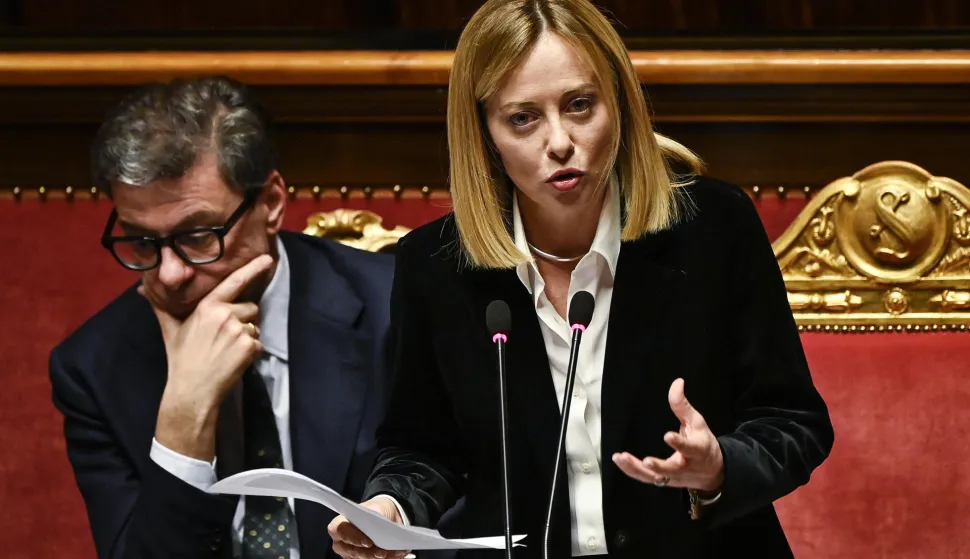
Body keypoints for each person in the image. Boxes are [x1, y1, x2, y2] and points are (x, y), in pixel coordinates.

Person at [327, 0, 835, 558]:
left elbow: (794, 423)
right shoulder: (436, 267)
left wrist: (719, 468)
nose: (560, 141)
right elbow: (421, 448)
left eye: (579, 105)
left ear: (617, 103)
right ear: (484, 133)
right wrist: (390, 508)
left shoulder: (712, 230)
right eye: (523, 117)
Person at [49, 76, 395, 559]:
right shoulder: (93, 367)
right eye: (143, 241)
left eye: (198, 235)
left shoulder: (394, 310)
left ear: (271, 203)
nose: (168, 274)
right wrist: (184, 418)